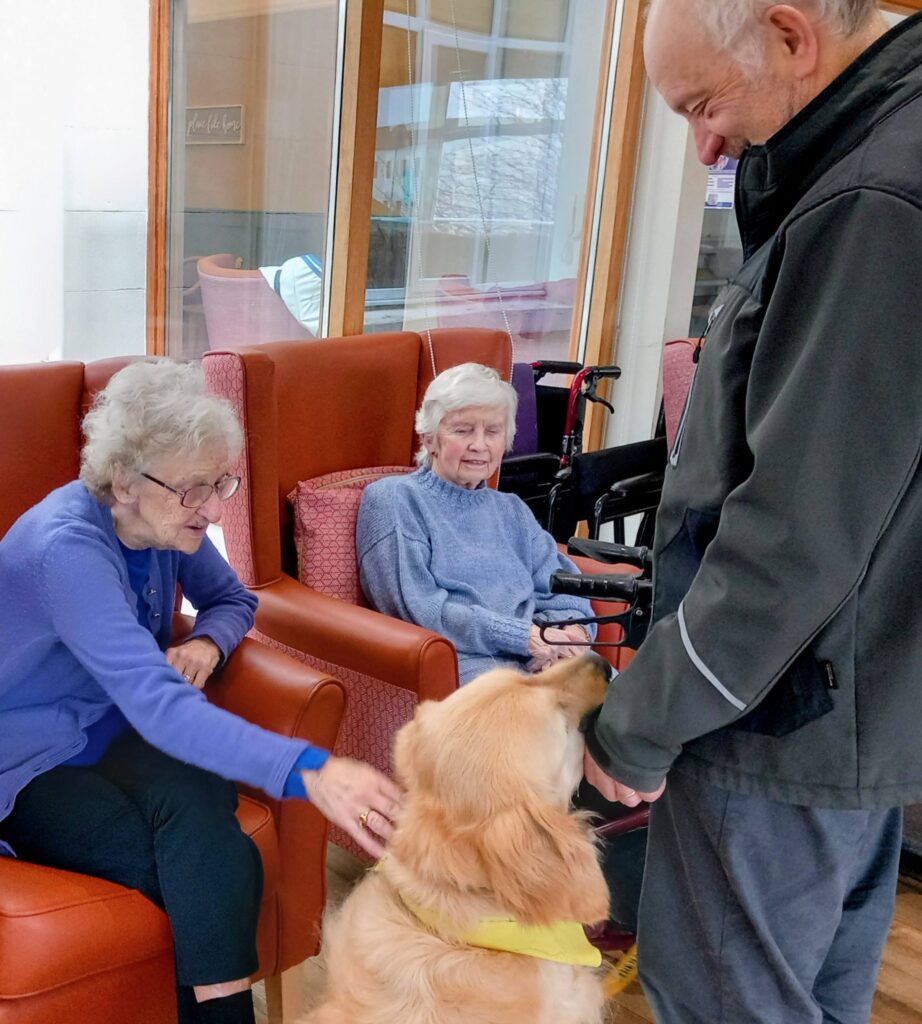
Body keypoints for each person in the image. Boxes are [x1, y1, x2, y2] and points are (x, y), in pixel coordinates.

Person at [581, 3, 922, 1022]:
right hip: (854, 716)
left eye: (703, 102)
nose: (704, 145)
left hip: (774, 724)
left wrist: (636, 729)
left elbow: (789, 541)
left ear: (789, 35)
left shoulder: (869, 203)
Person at [0, 361, 401, 1024]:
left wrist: (209, 642)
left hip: (110, 728)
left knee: (201, 812)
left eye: (222, 483)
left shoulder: (163, 522)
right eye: (196, 490)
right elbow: (160, 706)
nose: (215, 510)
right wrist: (311, 771)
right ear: (124, 479)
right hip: (28, 759)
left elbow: (233, 597)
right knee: (206, 866)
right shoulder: (67, 548)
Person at [356, 361, 597, 685]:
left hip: (542, 653)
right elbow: (420, 610)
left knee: (635, 712)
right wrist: (521, 637)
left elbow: (563, 585)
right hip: (465, 664)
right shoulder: (395, 500)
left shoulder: (511, 510)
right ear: (429, 437)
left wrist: (570, 633)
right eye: (463, 430)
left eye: (493, 432)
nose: (480, 445)